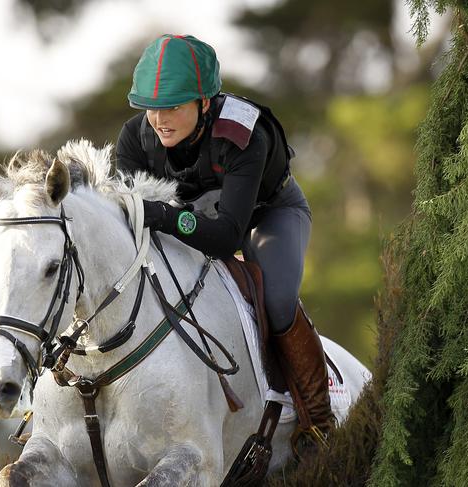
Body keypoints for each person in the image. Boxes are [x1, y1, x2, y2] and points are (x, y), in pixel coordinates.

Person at [115, 34, 334, 446]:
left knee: (277, 299)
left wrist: (162, 214)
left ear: (204, 102)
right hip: (195, 217)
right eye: (152, 108)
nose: (160, 120)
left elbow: (225, 238)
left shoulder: (243, 133)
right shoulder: (134, 137)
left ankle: (318, 421)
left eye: (173, 107)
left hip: (267, 214)